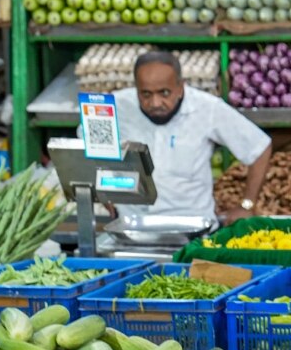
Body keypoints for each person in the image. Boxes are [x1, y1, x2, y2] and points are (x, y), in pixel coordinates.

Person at [111, 51, 272, 224]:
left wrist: (247, 205)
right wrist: (105, 190)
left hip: (192, 228)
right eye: (146, 94)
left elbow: (259, 147)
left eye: (164, 93)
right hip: (132, 226)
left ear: (181, 87)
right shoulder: (115, 107)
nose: (155, 103)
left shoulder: (208, 108)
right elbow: (89, 146)